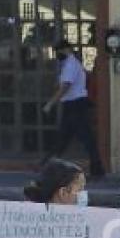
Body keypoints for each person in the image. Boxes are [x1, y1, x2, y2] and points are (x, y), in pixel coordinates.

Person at [42, 40, 105, 180]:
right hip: (73, 104)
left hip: (75, 105)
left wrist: (50, 103)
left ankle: (97, 169)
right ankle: (47, 166)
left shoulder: (71, 64)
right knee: (64, 137)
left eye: (58, 51)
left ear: (66, 50)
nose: (57, 54)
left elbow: (65, 86)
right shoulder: (69, 64)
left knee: (84, 138)